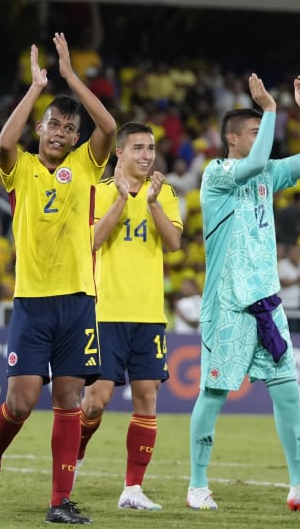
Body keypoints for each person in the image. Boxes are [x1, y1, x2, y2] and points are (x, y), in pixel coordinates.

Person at [0, 34, 115, 525]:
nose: (60, 133)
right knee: (21, 401)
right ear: (42, 128)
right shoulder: (21, 167)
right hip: (32, 302)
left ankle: (60, 501)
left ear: (75, 138)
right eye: (53, 124)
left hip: (77, 300)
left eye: (68, 128)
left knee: (68, 400)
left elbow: (109, 126)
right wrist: (36, 88)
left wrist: (72, 78)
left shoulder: (84, 165)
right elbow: (3, 142)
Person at [187, 74, 300, 512]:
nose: (264, 140)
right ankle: (197, 484)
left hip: (267, 302)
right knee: (214, 393)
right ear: (232, 139)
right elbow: (253, 165)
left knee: (287, 390)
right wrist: (272, 109)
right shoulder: (216, 175)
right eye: (256, 132)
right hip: (228, 305)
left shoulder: (269, 175)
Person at [75, 122, 183, 510]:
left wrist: (152, 202)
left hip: (149, 314)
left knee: (146, 398)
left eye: (150, 148)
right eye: (137, 147)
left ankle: (132, 490)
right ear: (119, 153)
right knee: (96, 400)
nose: (146, 155)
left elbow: (173, 244)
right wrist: (122, 199)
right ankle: (79, 448)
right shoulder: (100, 191)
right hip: (105, 312)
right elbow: (93, 241)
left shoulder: (165, 193)